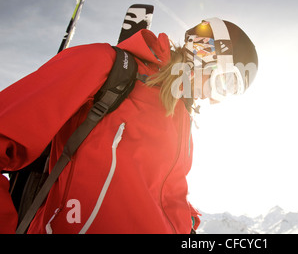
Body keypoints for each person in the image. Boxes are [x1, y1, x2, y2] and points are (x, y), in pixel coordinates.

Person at [0, 17, 258, 234]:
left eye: (229, 92)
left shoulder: (181, 117)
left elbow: (164, 192)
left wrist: (187, 223)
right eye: (225, 83)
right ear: (205, 53)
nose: (214, 98)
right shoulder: (105, 65)